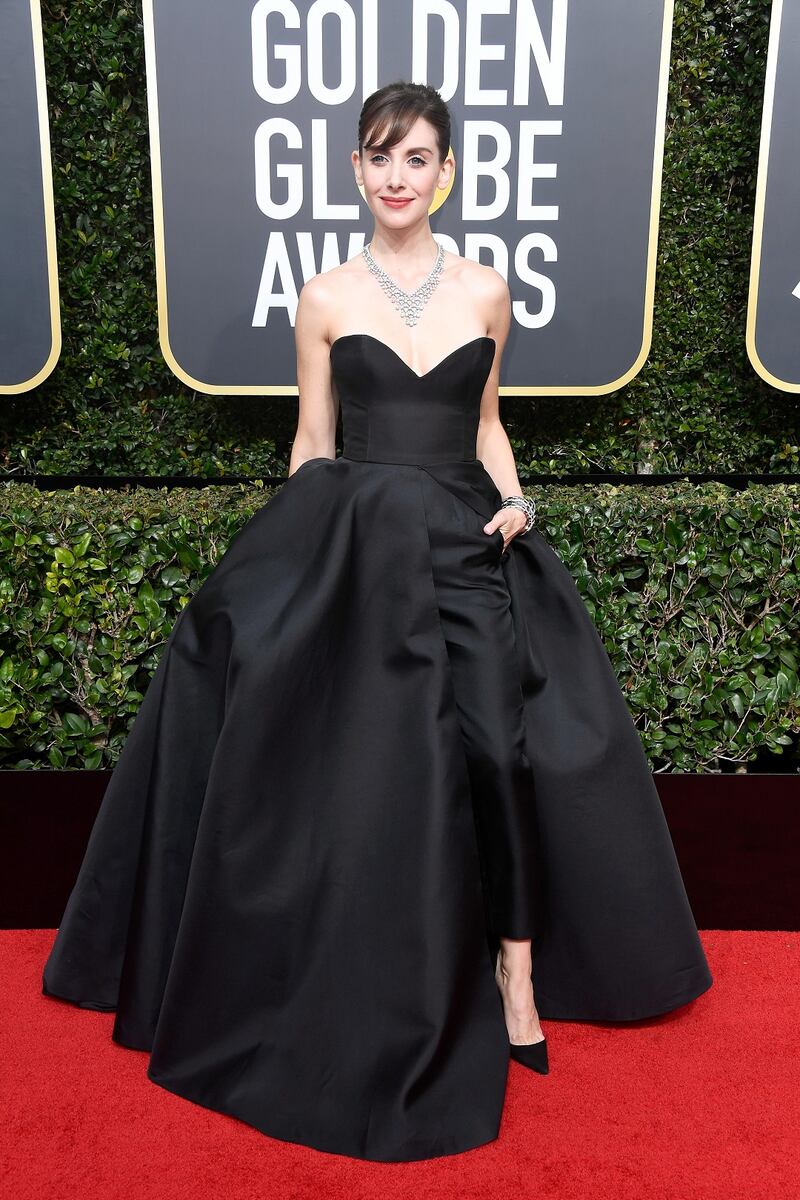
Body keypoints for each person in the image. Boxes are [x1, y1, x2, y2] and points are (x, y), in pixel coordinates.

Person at [42, 81, 712, 1163]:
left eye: (417, 159)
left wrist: (517, 497)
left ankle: (515, 967)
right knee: (351, 760)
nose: (397, 176)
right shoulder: (323, 296)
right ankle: (360, 959)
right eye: (379, 157)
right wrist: (291, 553)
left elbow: (486, 424)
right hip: (359, 549)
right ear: (354, 170)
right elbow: (313, 441)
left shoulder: (488, 294)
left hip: (463, 540)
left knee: (501, 749)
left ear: (444, 173)